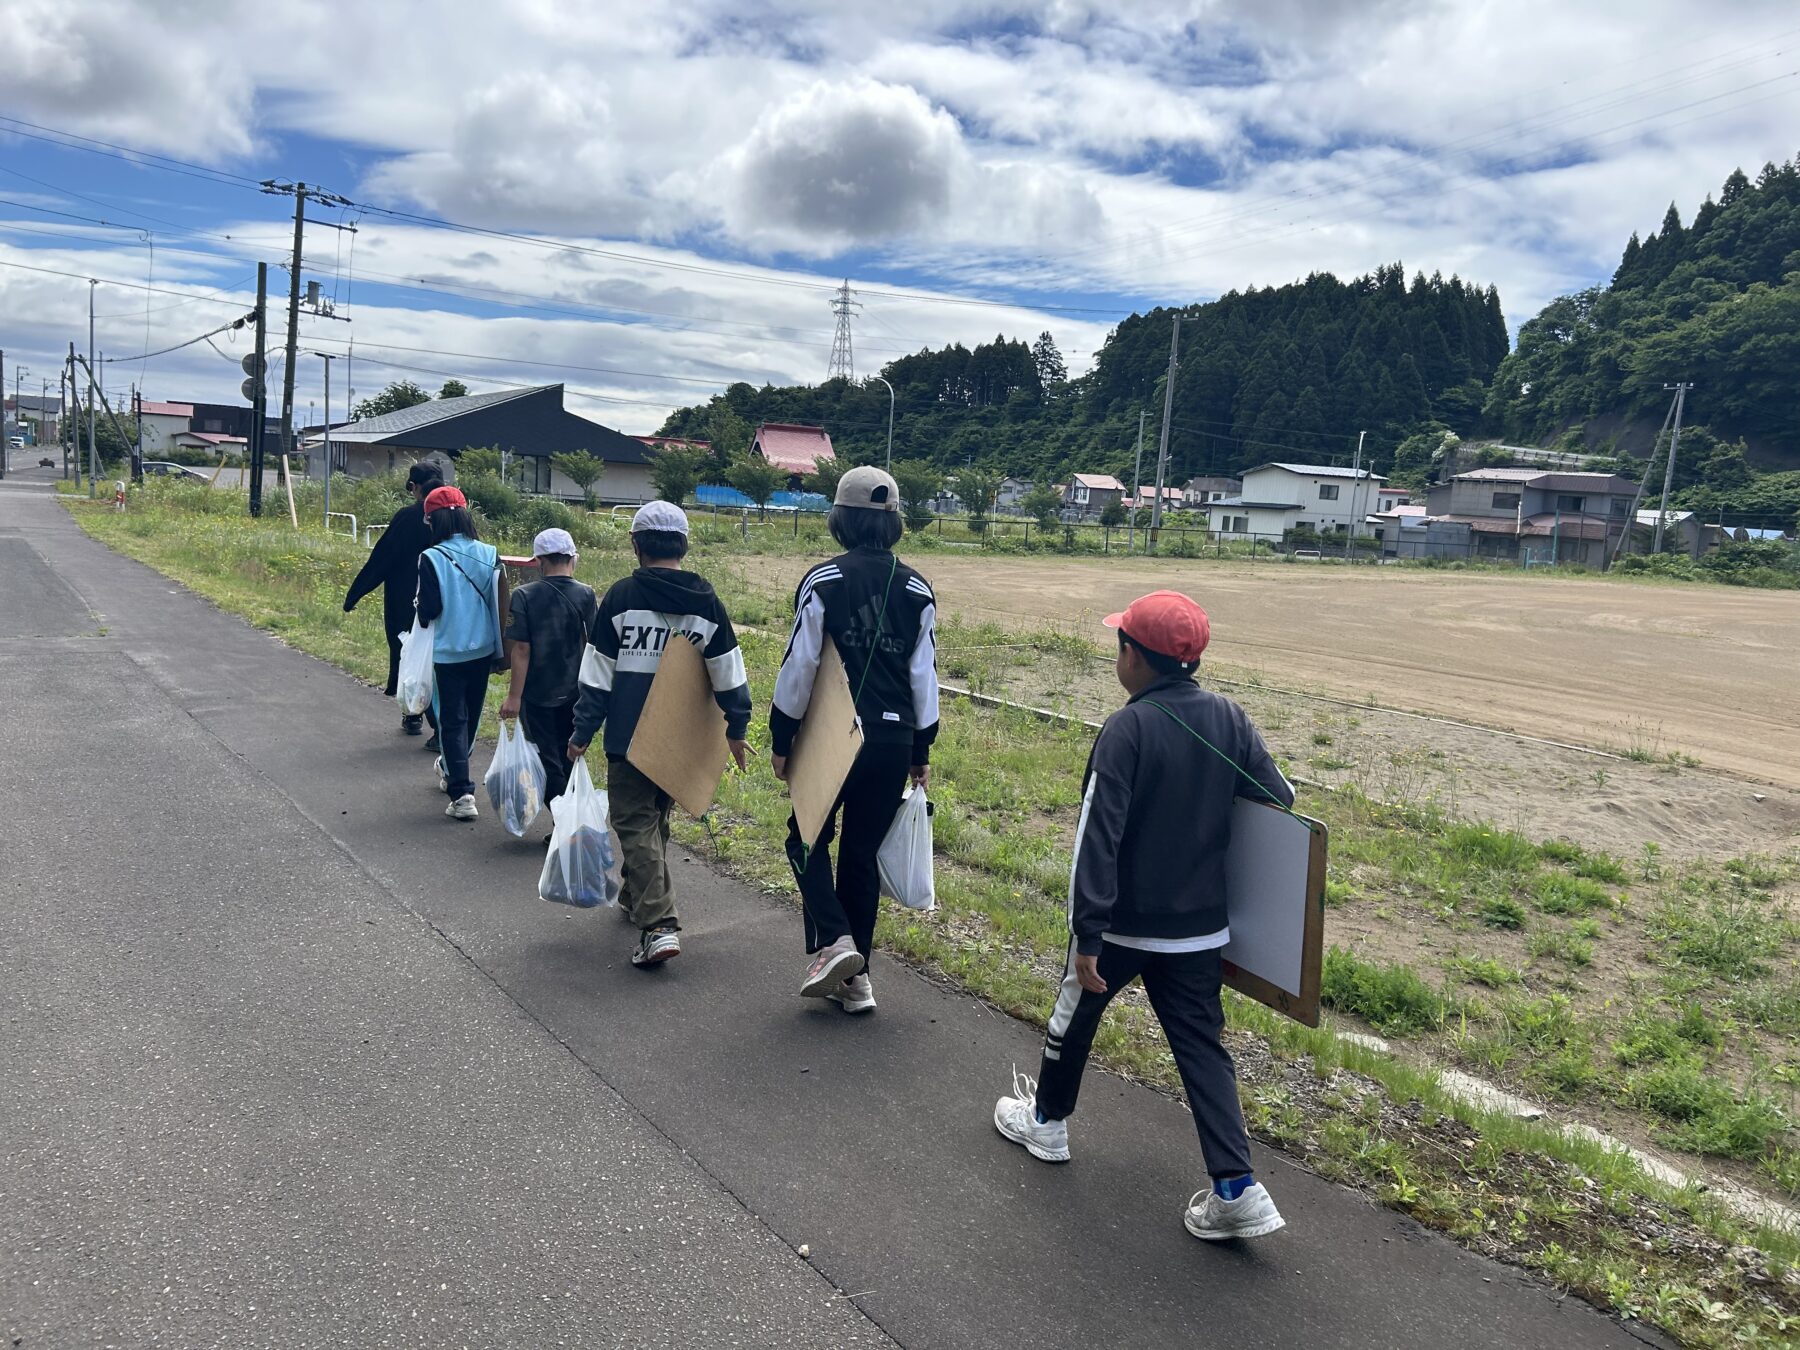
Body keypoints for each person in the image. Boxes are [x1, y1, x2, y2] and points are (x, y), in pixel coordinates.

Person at [992, 590, 1295, 1241]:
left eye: (1119, 643)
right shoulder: (1231, 719)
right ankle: (1237, 1188)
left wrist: (1087, 931)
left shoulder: (1126, 728)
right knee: (1202, 1050)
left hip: (1123, 928)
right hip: (1199, 934)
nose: (1116, 653)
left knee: (1072, 1017)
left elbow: (1095, 837)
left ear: (1136, 657)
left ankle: (1046, 1123)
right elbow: (1280, 796)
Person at [769, 466, 939, 1015]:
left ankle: (836, 943)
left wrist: (781, 734)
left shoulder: (824, 581)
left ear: (839, 518)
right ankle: (857, 980)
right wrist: (921, 751)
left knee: (804, 840)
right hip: (894, 740)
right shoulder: (917, 589)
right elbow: (923, 676)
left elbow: (800, 665)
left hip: (832, 737)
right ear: (894, 523)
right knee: (861, 856)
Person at [568, 501, 751, 968]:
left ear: (636, 544)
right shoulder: (707, 601)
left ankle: (659, 925)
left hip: (629, 738)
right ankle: (635, 895)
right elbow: (728, 671)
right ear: (684, 545)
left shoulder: (622, 596)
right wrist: (736, 726)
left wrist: (583, 729)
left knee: (634, 822)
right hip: (680, 738)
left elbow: (597, 674)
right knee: (652, 821)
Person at [415, 484, 502, 822]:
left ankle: (462, 791)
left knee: (451, 719)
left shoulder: (431, 558)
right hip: (483, 648)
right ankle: (454, 768)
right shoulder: (491, 553)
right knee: (472, 716)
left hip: (447, 652)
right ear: (466, 515)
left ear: (433, 521)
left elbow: (429, 610)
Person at [499, 527, 598, 816]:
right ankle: (570, 819)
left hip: (537, 691)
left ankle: (563, 821)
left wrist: (514, 697)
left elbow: (521, 650)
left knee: (545, 757)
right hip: (575, 691)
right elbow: (593, 644)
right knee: (570, 754)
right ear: (572, 559)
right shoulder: (586, 595)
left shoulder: (524, 596)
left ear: (539, 561)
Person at [344, 462, 443, 743]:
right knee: (437, 662)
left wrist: (355, 594)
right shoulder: (457, 517)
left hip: (406, 600)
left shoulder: (409, 517)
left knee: (409, 655)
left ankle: (413, 715)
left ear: (415, 487)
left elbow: (382, 560)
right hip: (445, 603)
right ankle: (441, 726)